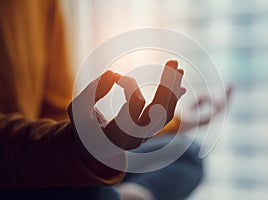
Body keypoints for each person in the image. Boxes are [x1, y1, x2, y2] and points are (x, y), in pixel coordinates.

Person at [0, 0, 230, 199]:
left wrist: (179, 121)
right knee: (95, 193)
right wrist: (84, 148)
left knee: (185, 153)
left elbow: (57, 117)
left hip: (49, 159)